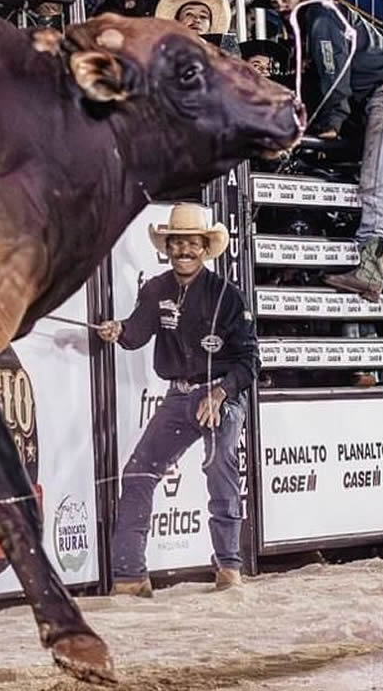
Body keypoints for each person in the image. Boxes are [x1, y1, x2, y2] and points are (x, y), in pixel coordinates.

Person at [95, 203, 257, 596]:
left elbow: (250, 360)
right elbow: (137, 331)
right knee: (138, 473)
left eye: (192, 243)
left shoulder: (227, 297)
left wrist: (220, 393)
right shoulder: (156, 289)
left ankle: (228, 566)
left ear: (205, 247)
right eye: (177, 243)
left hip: (221, 393)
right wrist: (118, 330)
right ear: (167, 248)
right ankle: (131, 576)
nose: (183, 250)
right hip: (178, 395)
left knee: (220, 465)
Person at [251, 0, 383, 303]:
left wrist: (331, 123)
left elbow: (334, 73)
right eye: (275, 2)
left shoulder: (318, 15)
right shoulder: (332, 15)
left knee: (379, 185)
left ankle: (370, 271)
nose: (280, 6)